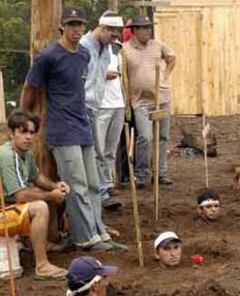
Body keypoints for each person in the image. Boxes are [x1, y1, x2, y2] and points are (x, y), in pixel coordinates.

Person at [20, 6, 126, 252]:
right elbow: (30, 87)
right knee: (75, 184)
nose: (76, 29)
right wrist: (24, 120)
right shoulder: (48, 56)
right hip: (61, 129)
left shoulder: (83, 56)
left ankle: (99, 232)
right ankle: (85, 238)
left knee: (92, 183)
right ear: (62, 27)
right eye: (71, 25)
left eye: (79, 24)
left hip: (83, 124)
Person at [0, 110, 68, 280]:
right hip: (3, 214)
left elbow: (36, 177)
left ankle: (36, 242)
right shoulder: (8, 155)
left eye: (31, 132)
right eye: (23, 132)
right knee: (40, 207)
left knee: (41, 195)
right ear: (11, 134)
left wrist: (55, 186)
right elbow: (20, 196)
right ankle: (42, 265)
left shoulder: (25, 154)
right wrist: (50, 195)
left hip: (6, 210)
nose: (28, 137)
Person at [122, 15, 176, 190]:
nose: (148, 31)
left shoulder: (157, 45)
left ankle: (160, 172)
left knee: (162, 137)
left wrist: (165, 77)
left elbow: (172, 57)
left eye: (148, 27)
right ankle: (142, 174)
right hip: (140, 102)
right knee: (145, 137)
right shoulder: (125, 50)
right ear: (135, 30)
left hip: (162, 99)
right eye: (144, 28)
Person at [80, 11, 124, 210]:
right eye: (112, 35)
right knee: (94, 152)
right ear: (103, 28)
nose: (114, 39)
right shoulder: (83, 47)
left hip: (95, 106)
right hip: (81, 107)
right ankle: (101, 193)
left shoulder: (105, 50)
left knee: (98, 151)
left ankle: (100, 191)